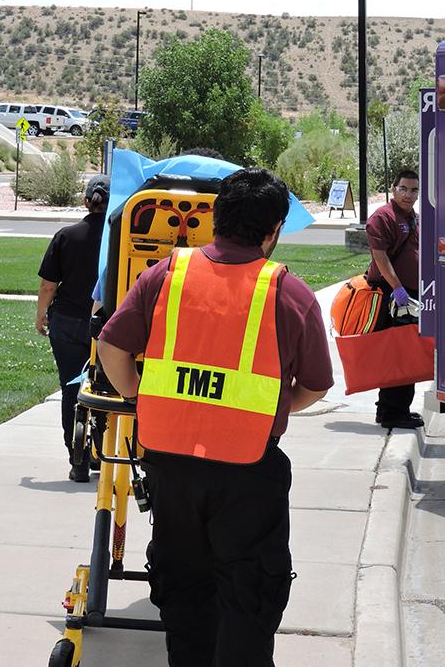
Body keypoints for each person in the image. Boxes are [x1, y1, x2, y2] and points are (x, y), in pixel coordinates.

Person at [96, 167, 332, 667]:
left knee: (184, 591)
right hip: (248, 474)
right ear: (273, 232)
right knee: (248, 595)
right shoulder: (289, 294)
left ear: (216, 219)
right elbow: (314, 385)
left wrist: (141, 397)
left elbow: (111, 347)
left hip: (171, 469)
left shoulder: (166, 275)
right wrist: (273, 407)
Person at [36, 173, 110, 483]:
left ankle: (76, 458)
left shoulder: (66, 235)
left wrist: (41, 315)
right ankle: (101, 452)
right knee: (108, 390)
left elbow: (48, 286)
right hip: (107, 326)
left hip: (66, 323)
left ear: (85, 201)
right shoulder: (120, 241)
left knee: (70, 388)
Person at [365, 168, 423, 429]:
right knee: (397, 354)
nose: (409, 195)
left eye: (414, 190)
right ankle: (390, 412)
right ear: (393, 189)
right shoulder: (383, 217)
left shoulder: (415, 218)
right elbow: (381, 257)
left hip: (409, 296)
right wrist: (398, 288)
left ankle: (399, 408)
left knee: (406, 353)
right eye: (404, 189)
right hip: (393, 295)